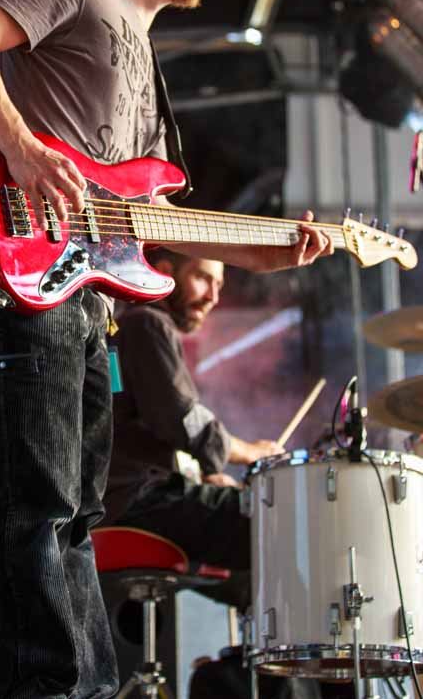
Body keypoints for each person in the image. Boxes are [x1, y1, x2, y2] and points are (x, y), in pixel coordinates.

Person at [0, 0, 333, 699]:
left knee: (80, 509)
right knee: (38, 498)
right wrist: (24, 149)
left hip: (86, 292)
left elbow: (153, 220)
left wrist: (269, 255)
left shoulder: (147, 67)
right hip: (20, 257)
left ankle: (86, 684)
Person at [104, 248, 283, 607]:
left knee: (247, 579)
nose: (213, 296)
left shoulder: (127, 326)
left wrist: (204, 475)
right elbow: (181, 418)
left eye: (219, 285)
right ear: (164, 271)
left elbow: (147, 429)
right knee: (275, 518)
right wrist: (251, 452)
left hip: (123, 499)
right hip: (140, 502)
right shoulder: (146, 323)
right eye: (202, 278)